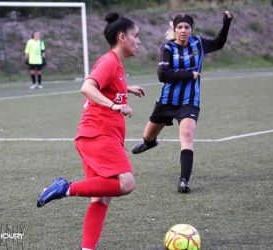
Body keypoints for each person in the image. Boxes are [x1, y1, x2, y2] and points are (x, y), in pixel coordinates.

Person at [36, 12, 144, 250]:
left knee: (101, 198)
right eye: (136, 36)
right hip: (99, 136)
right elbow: (87, 87)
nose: (139, 41)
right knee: (126, 183)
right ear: (122, 37)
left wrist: (126, 89)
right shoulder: (109, 61)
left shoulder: (116, 64)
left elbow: (107, 86)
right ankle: (64, 188)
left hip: (95, 136)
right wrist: (115, 105)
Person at [131, 11, 233, 193]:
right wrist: (189, 74)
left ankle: (184, 181)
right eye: (180, 27)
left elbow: (219, 43)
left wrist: (226, 23)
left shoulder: (199, 44)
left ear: (191, 29)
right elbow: (163, 75)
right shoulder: (168, 48)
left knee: (186, 135)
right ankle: (149, 143)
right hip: (166, 102)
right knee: (147, 136)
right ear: (174, 29)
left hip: (189, 101)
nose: (183, 30)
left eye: (187, 27)